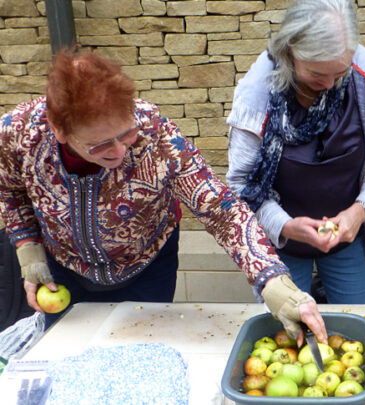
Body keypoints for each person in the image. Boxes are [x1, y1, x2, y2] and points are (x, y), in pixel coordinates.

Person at [0, 50, 326, 343]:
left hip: (147, 265)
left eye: (126, 133)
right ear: (60, 130)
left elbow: (222, 210)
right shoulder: (17, 134)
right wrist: (28, 250)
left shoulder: (155, 133)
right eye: (99, 145)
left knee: (143, 352)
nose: (119, 150)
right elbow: (11, 191)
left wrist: (271, 279)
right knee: (69, 353)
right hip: (63, 269)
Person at [226, 0, 365, 304]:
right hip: (279, 240)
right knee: (286, 330)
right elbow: (242, 185)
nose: (329, 84)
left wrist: (358, 212)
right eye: (316, 74)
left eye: (340, 72)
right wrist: (284, 225)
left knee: (355, 324)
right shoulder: (256, 96)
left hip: (347, 236)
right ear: (290, 52)